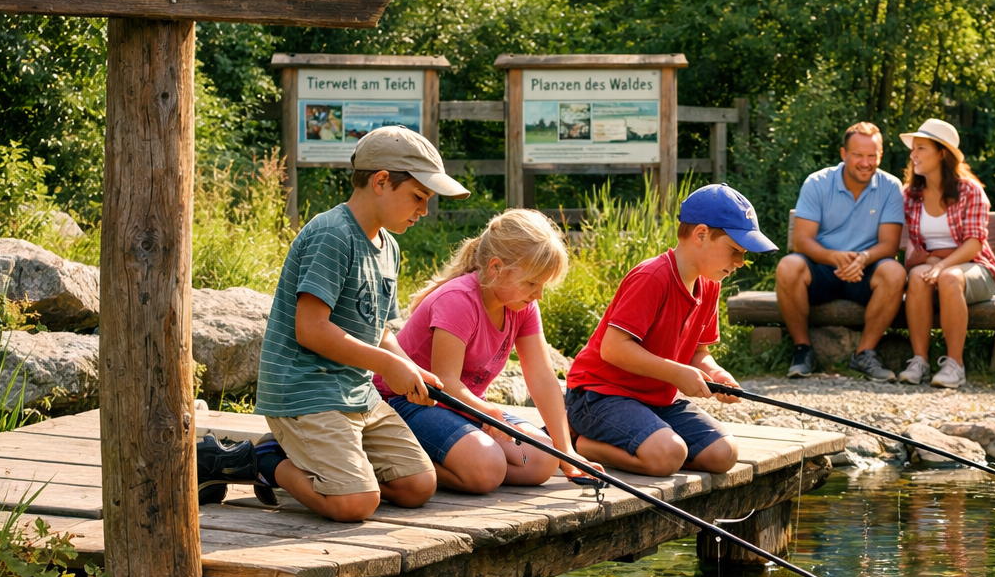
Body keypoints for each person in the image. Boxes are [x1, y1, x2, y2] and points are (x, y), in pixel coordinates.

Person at [250, 126, 468, 523]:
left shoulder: (391, 247)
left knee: (418, 485)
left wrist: (412, 368)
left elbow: (381, 328)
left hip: (357, 393)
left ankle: (316, 459)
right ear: (381, 181)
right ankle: (265, 459)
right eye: (418, 197)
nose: (423, 210)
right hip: (305, 391)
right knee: (356, 503)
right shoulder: (332, 234)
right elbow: (310, 329)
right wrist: (387, 366)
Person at [376, 209, 601, 493]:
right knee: (487, 469)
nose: (539, 294)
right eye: (533, 283)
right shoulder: (458, 302)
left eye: (543, 285)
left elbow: (543, 377)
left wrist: (566, 452)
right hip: (412, 402)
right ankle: (405, 464)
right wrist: (486, 413)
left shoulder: (523, 305)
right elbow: (447, 383)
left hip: (465, 407)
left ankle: (470, 458)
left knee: (544, 459)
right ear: (496, 267)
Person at [565, 184, 778, 476]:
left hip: (656, 398)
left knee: (724, 454)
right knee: (669, 455)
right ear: (701, 235)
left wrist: (715, 374)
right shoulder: (653, 277)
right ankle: (581, 443)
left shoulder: (710, 285)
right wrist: (677, 374)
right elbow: (613, 348)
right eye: (735, 251)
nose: (740, 263)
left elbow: (698, 352)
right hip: (599, 395)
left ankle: (647, 442)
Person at [776, 122, 906, 381]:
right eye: (858, 155)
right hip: (822, 266)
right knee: (788, 267)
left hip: (866, 268)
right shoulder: (817, 183)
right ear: (844, 154)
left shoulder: (891, 186)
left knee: (895, 271)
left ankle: (864, 353)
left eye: (872, 156)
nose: (865, 162)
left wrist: (863, 258)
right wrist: (835, 257)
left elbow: (889, 244)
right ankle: (803, 350)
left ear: (880, 156)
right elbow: (802, 240)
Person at [898, 118, 995, 389]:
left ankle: (955, 365)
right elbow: (911, 247)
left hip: (976, 268)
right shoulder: (911, 195)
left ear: (942, 153)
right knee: (918, 277)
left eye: (921, 148)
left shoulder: (970, 191)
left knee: (948, 277)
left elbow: (974, 244)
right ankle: (920, 361)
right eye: (913, 149)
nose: (913, 155)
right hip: (933, 264)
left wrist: (942, 263)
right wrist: (931, 261)